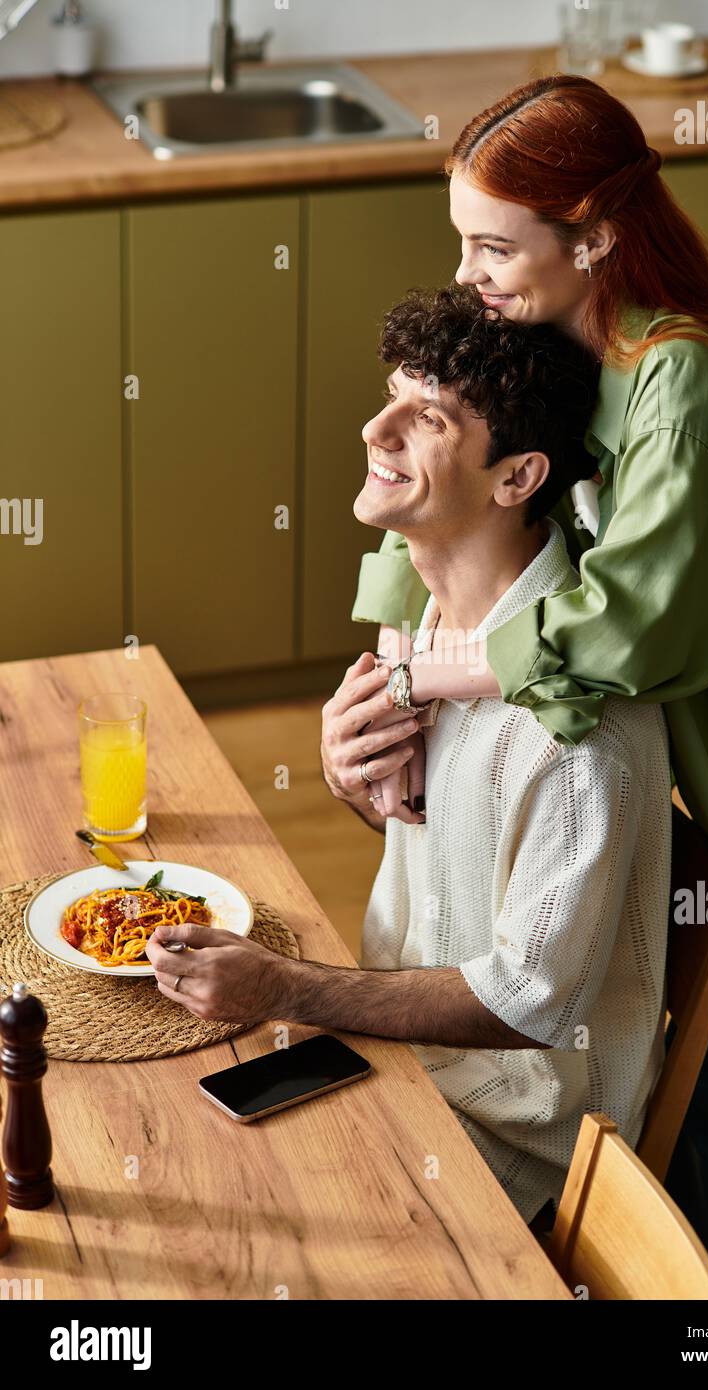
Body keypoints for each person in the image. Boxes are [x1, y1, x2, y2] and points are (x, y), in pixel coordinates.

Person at [348, 77, 708, 1299]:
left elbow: (622, 630)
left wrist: (416, 674)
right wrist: (383, 664)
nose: (469, 270)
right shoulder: (562, 328)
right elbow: (441, 510)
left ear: (590, 238)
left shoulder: (678, 383)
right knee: (683, 1061)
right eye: (460, 239)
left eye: (492, 244)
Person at [147, 285, 673, 1229]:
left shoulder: (577, 733)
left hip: (508, 1141)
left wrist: (283, 985)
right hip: (381, 1049)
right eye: (391, 394)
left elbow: (527, 1006)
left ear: (516, 478)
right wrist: (357, 787)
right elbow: (449, 841)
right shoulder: (421, 618)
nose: (374, 429)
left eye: (425, 417)